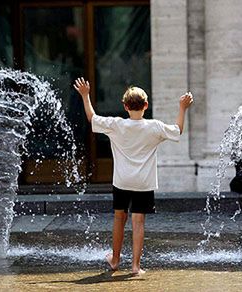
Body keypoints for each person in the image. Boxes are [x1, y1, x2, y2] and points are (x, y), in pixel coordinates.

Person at [73, 77, 193, 275]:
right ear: (146, 105)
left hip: (122, 181)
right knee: (138, 222)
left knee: (119, 217)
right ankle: (136, 266)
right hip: (144, 183)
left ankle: (115, 259)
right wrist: (182, 107)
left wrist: (85, 95)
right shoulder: (155, 127)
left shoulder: (116, 125)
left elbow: (92, 118)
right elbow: (178, 130)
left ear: (125, 106)